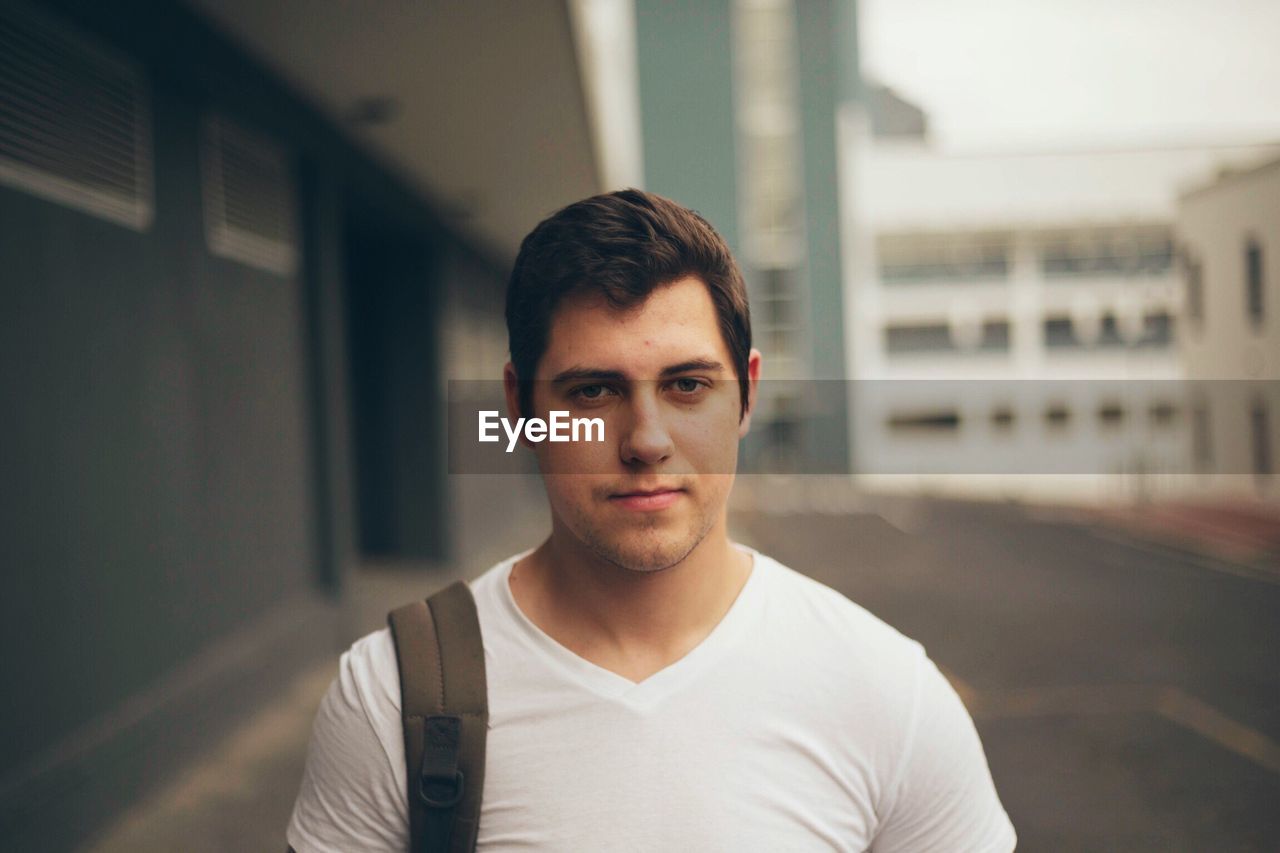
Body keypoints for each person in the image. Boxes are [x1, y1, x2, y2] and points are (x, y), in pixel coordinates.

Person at [286, 189, 1016, 851]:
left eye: (688, 385)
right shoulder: (394, 695)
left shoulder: (888, 691)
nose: (645, 440)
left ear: (748, 393)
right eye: (594, 390)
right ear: (520, 408)